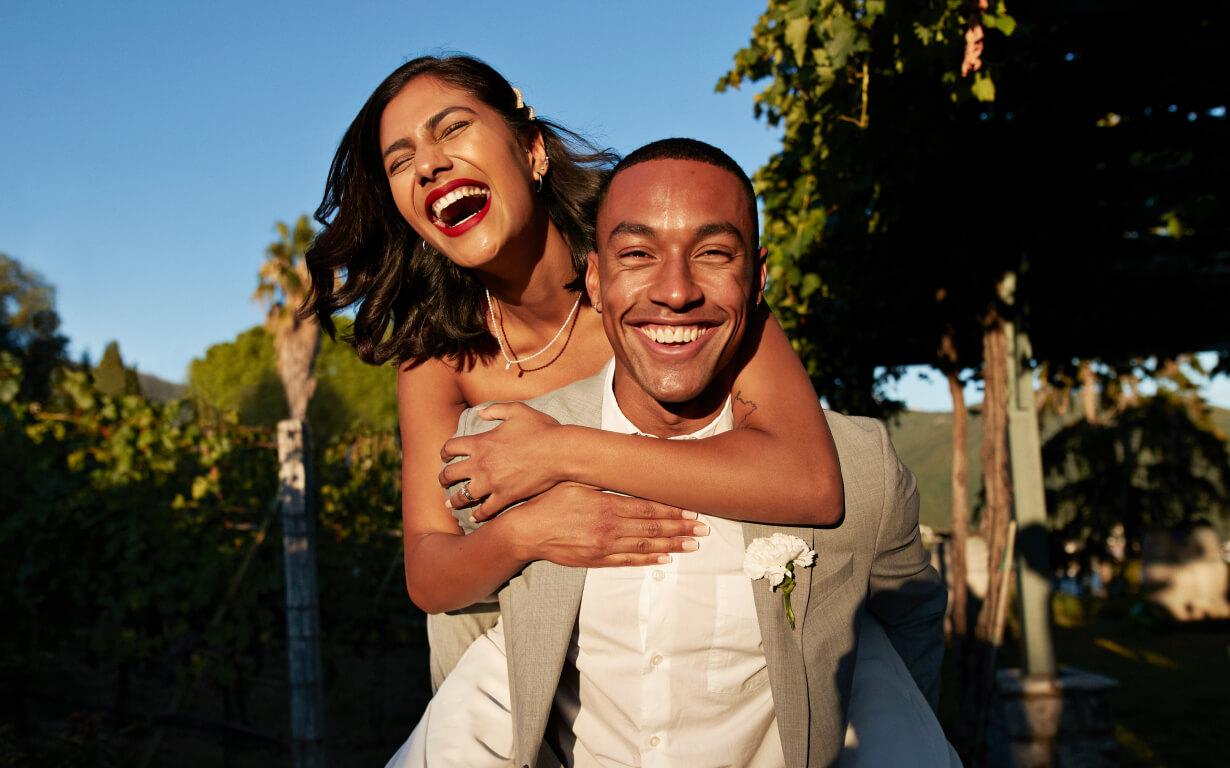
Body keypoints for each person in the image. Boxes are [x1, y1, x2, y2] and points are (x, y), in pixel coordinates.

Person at [386, 139, 954, 767]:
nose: (676, 291)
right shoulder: (505, 453)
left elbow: (909, 636)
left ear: (757, 278)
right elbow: (465, 635)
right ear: (595, 278)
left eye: (713, 253)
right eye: (637, 254)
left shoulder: (859, 469)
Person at [301, 54, 845, 687]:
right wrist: (524, 534)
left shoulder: (663, 286)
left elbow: (809, 480)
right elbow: (427, 573)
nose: (428, 164)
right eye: (400, 161)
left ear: (533, 151)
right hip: (525, 672)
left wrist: (559, 453)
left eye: (452, 129)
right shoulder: (435, 357)